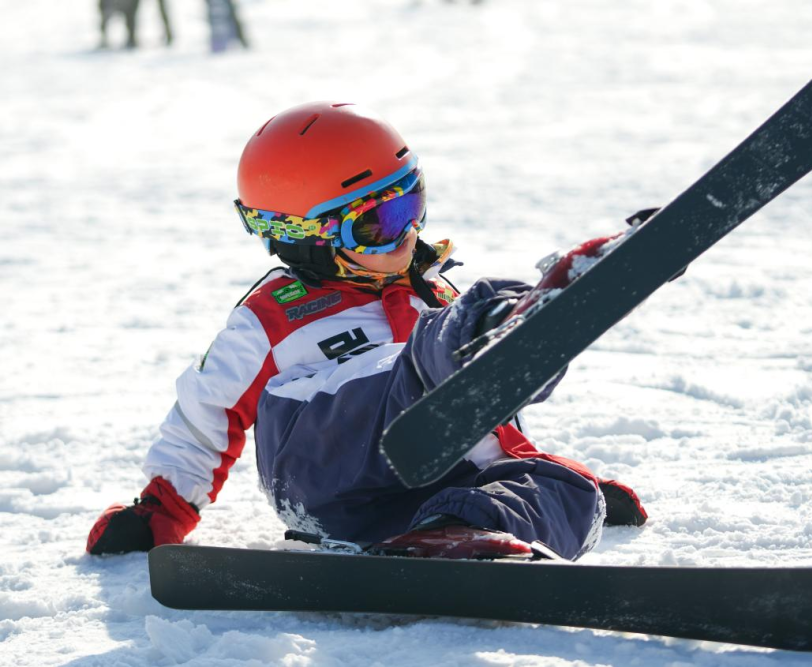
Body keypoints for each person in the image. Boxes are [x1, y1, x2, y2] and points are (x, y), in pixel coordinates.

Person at [86, 102, 646, 561]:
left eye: (411, 203)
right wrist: (161, 509)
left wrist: (539, 473)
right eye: (377, 223)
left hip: (426, 494)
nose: (406, 233)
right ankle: (514, 318)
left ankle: (457, 536)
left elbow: (491, 420)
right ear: (305, 236)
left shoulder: (433, 292)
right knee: (425, 358)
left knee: (567, 487)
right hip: (325, 474)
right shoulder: (273, 316)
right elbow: (204, 414)